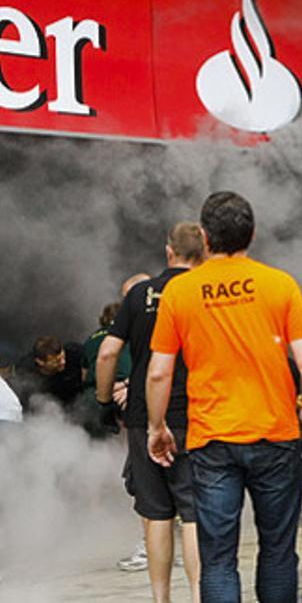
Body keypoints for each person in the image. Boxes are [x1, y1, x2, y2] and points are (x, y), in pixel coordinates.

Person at [145, 191, 302, 603]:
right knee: (278, 551)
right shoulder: (278, 285)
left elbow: (158, 371)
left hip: (211, 441)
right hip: (274, 436)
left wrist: (157, 427)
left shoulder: (180, 293)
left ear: (205, 237)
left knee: (218, 558)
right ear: (252, 234)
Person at [96, 222, 205, 603]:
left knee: (156, 513)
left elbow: (109, 352)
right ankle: (198, 595)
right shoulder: (205, 292)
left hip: (144, 417)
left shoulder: (140, 293)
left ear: (168, 252)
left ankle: (162, 599)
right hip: (195, 416)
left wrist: (105, 401)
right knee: (193, 514)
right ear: (204, 252)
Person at [13, 334, 85, 413]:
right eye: (56, 361)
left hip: (78, 402)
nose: (63, 362)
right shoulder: (26, 373)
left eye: (63, 357)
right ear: (40, 362)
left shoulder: (75, 353)